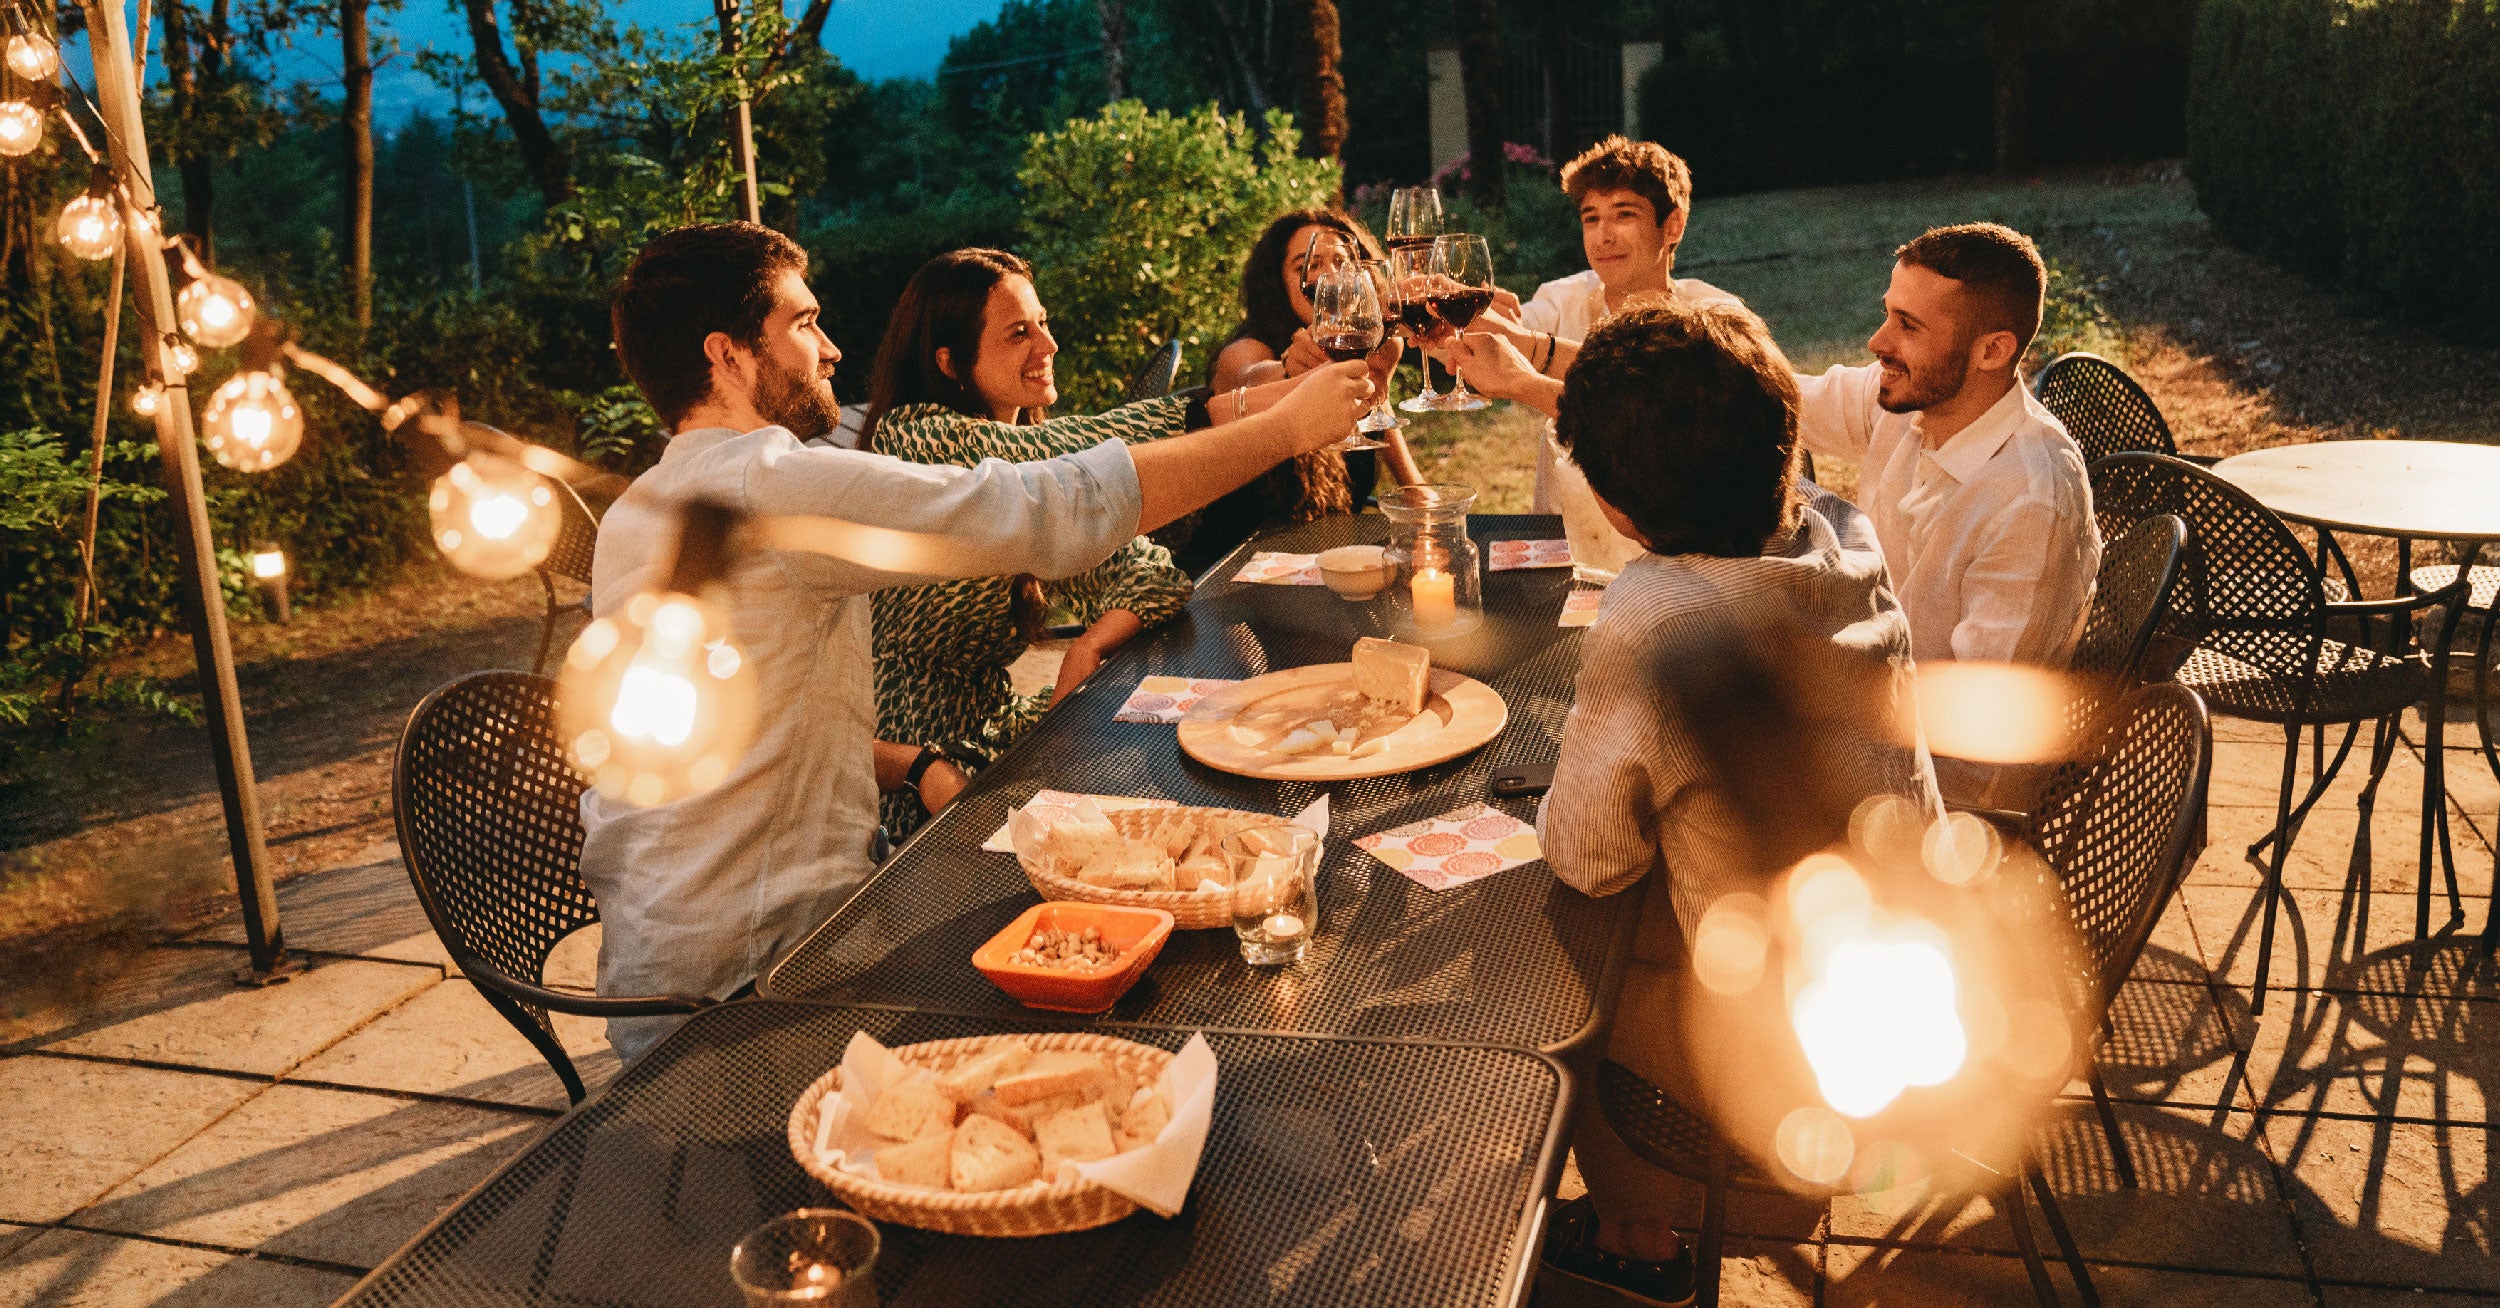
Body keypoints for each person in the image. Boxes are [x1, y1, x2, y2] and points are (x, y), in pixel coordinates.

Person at [587, 222, 1377, 1061]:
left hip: (667, 958)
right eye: (804, 323)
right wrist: (1284, 430)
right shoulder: (762, 487)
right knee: (1155, 997)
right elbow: (1045, 510)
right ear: (729, 355)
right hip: (757, 986)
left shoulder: (643, 506)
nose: (830, 349)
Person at [1532, 301, 1941, 1305]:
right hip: (1914, 994)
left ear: (1617, 510)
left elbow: (1588, 855)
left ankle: (1636, 1234)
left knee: (1549, 959)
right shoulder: (1840, 536)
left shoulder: (1656, 612)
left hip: (1785, 1054)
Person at [1450, 223, 2097, 808]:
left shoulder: (2031, 500)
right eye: (1887, 315)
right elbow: (1737, 397)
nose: (1878, 342)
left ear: (1992, 350)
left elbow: (1980, 720)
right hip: (1852, 720)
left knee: (1624, 766)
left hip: (1936, 804)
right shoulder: (1908, 398)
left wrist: (1783, 687)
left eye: (1909, 326)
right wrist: (1530, 358)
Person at [862, 249, 1196, 838]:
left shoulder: (1026, 471)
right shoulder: (916, 438)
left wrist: (1088, 647)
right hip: (907, 777)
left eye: (1044, 324)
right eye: (1019, 333)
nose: (1048, 346)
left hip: (989, 743)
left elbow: (1150, 574)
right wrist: (1227, 407)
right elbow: (1076, 456)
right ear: (950, 362)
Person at [1449, 136, 1743, 512]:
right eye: (1592, 219)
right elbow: (1503, 333)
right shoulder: (1561, 299)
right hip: (1563, 530)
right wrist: (1442, 299)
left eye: (1624, 214)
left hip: (1677, 532)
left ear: (1673, 227)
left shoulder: (1715, 316)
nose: (1604, 236)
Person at [1173, 208, 1388, 576]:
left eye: (1340, 261)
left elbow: (1378, 419)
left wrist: (1418, 490)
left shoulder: (1358, 350)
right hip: (1230, 576)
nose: (1330, 277)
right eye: (1308, 264)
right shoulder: (1246, 350)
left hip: (1322, 567)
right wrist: (1290, 370)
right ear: (1280, 281)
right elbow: (1250, 377)